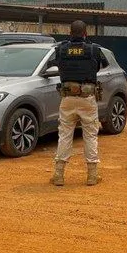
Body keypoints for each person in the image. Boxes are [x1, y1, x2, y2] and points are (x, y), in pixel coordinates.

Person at [51, 20, 106, 187]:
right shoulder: (93, 49)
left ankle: (59, 175)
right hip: (87, 98)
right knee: (90, 136)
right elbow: (102, 65)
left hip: (67, 98)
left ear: (69, 32)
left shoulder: (61, 49)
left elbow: (56, 64)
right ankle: (92, 176)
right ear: (85, 33)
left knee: (65, 135)